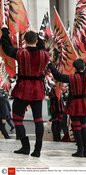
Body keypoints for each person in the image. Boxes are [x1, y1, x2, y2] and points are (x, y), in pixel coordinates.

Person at [1, 26, 50, 157]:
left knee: (17, 119)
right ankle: (37, 149)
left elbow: (6, 48)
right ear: (36, 40)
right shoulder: (45, 54)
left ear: (24, 40)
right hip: (38, 89)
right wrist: (37, 36)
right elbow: (42, 45)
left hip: (23, 89)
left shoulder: (21, 53)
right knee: (38, 120)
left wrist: (5, 31)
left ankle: (25, 146)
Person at [48, 59, 86, 157]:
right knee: (84, 127)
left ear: (75, 68)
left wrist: (50, 65)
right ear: (84, 66)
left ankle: (80, 150)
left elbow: (58, 76)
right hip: (84, 103)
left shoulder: (73, 77)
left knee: (76, 128)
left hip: (75, 104)